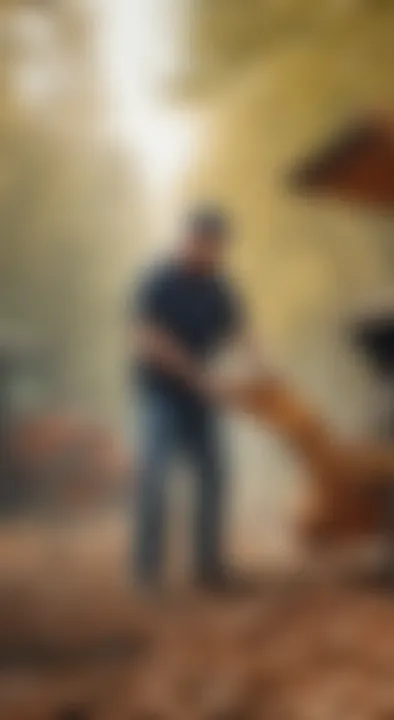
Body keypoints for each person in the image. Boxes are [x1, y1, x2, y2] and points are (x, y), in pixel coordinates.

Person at [131, 207, 250, 591]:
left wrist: (262, 370)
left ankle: (208, 567)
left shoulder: (219, 288)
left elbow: (240, 334)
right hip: (162, 396)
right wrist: (200, 377)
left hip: (201, 399)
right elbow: (150, 340)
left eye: (218, 245)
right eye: (206, 242)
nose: (213, 251)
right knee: (155, 476)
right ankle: (148, 573)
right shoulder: (159, 282)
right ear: (190, 239)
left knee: (215, 477)